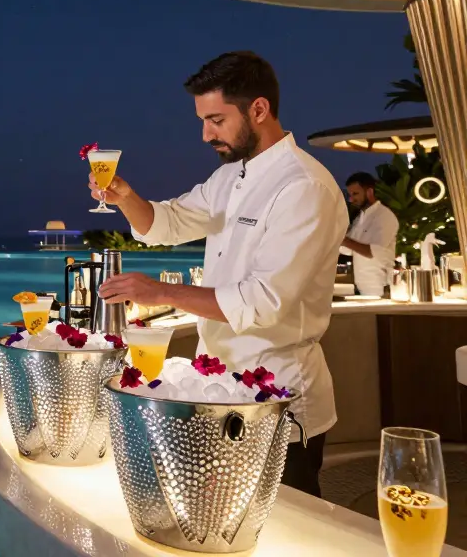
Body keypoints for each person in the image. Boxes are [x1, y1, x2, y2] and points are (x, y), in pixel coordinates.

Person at [92, 51, 348, 497]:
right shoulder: (230, 177)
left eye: (215, 120)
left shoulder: (304, 187)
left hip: (279, 397)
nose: (206, 134)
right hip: (221, 388)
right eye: (202, 121)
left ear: (259, 109)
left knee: (287, 532)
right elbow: (166, 223)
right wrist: (125, 197)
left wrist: (161, 292)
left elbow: (261, 302)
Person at [339, 171, 400, 297]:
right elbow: (348, 249)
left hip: (381, 288)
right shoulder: (360, 218)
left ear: (369, 192)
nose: (351, 199)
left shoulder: (384, 216)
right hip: (363, 288)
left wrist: (342, 239)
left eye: (355, 194)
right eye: (350, 194)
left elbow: (372, 251)